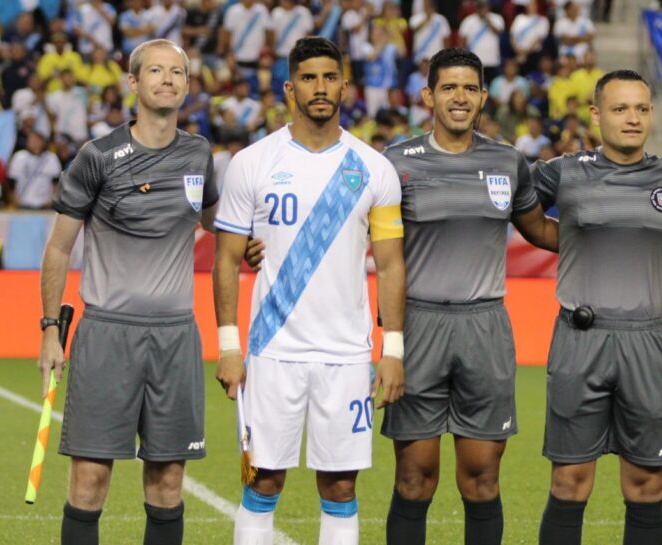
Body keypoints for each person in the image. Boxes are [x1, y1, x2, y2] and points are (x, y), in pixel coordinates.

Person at [213, 36, 405, 545]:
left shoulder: (374, 169)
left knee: (341, 486)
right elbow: (227, 259)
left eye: (329, 77)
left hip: (346, 354)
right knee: (262, 480)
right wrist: (229, 347)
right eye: (308, 78)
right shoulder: (252, 163)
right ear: (289, 87)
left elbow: (390, 265)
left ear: (344, 84)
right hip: (272, 349)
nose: (319, 88)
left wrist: (394, 350)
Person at [36, 39, 217, 545]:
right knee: (90, 482)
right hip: (108, 335)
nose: (167, 79)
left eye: (176, 72)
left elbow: (213, 223)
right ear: (133, 83)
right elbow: (57, 250)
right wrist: (50, 331)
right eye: (154, 71)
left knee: (168, 484)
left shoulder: (199, 153)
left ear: (186, 83)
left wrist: (245, 247)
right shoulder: (97, 157)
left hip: (176, 338)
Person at [380, 47, 559, 545]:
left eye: (469, 88)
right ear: (428, 96)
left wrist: (620, 240)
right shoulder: (396, 163)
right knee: (415, 477)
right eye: (448, 87)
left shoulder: (507, 161)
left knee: (481, 477)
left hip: (485, 327)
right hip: (419, 327)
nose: (459, 97)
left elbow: (541, 231)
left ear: (483, 96)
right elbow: (359, 237)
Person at [533, 70, 662, 545]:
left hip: (648, 340)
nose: (633, 119)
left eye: (642, 109)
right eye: (621, 108)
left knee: (646, 485)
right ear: (596, 114)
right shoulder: (562, 172)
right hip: (579, 339)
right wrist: (567, 245)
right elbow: (519, 209)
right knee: (569, 482)